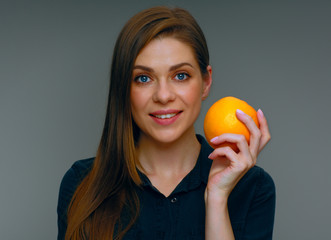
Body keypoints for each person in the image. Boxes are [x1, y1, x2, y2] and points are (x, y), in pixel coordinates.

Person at [57, 6, 275, 240]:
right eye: (143, 78)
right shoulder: (83, 184)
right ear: (124, 89)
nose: (163, 95)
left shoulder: (254, 187)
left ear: (206, 81)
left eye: (180, 75)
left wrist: (217, 198)